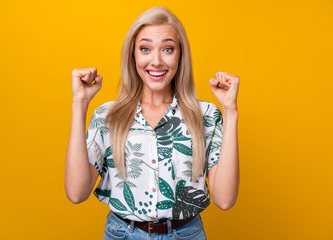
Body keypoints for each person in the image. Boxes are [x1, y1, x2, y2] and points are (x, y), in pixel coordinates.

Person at [65, 6, 239, 240]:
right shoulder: (108, 116)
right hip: (122, 234)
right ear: (133, 55)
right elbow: (76, 193)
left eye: (168, 49)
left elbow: (225, 200)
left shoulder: (206, 115)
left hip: (186, 234)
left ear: (180, 55)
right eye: (145, 49)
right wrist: (79, 104)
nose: (156, 61)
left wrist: (230, 111)